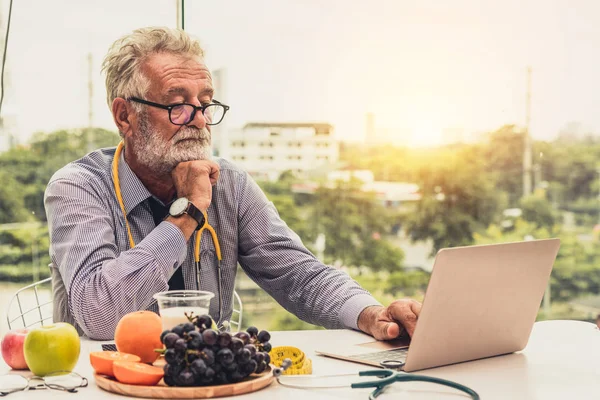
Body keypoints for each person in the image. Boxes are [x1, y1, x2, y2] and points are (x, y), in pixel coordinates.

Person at [44, 27, 421, 341]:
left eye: (205, 103)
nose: (199, 120)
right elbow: (98, 313)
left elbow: (299, 274)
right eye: (178, 105)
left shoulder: (230, 184)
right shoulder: (78, 187)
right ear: (125, 115)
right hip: (104, 385)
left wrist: (371, 313)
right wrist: (188, 212)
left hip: (213, 381)